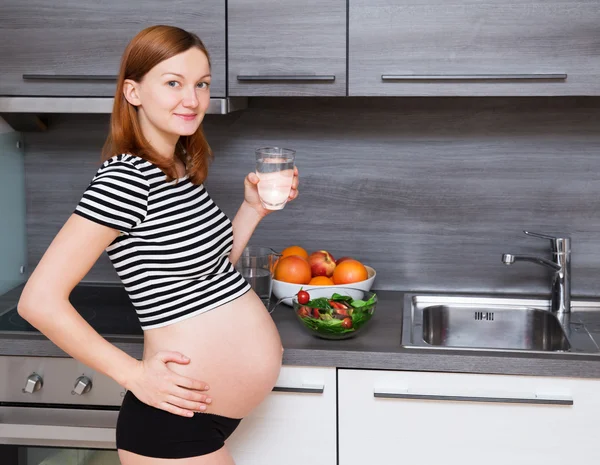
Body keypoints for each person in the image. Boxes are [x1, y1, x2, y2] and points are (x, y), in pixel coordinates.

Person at [17, 25, 299, 464]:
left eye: (201, 84)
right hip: (171, 424)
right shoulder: (126, 178)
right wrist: (134, 375)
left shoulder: (177, 167)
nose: (192, 99)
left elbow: (209, 270)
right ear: (133, 92)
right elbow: (38, 301)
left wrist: (252, 210)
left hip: (197, 418)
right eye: (173, 83)